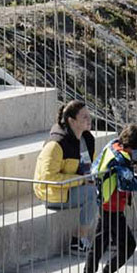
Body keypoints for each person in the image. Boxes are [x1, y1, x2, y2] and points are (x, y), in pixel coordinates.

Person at [83, 123, 137, 273]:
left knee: (100, 242)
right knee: (128, 246)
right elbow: (130, 185)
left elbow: (97, 166)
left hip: (103, 202)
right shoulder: (120, 161)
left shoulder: (113, 145)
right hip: (113, 208)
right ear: (130, 147)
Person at [33, 100, 96, 254]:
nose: (89, 119)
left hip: (75, 186)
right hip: (53, 193)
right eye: (84, 117)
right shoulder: (56, 145)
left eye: (89, 115)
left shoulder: (87, 139)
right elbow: (48, 178)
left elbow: (91, 165)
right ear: (71, 120)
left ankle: (109, 235)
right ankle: (79, 240)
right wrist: (80, 180)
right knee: (93, 193)